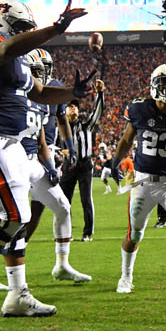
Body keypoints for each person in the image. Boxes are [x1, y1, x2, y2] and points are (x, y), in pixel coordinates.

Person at [0, 0, 93, 317]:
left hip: (13, 142)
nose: (26, 37)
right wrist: (55, 29)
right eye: (22, 30)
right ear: (2, 24)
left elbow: (41, 94)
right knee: (14, 215)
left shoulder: (18, 64)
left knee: (20, 218)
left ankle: (17, 294)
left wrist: (74, 93)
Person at [0, 55, 93, 287]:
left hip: (36, 160)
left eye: (42, 70)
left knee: (63, 207)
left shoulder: (46, 96)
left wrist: (53, 162)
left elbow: (45, 134)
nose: (39, 75)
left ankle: (62, 265)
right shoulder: (14, 93)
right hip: (14, 159)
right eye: (34, 70)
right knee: (10, 218)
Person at [111, 63, 166, 294]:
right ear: (154, 85)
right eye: (165, 83)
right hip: (142, 183)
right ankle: (125, 276)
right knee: (134, 234)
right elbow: (127, 140)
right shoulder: (140, 109)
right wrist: (115, 161)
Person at [59, 91, 105, 242]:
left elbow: (97, 113)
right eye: (70, 106)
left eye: (75, 107)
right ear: (65, 110)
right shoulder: (60, 127)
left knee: (86, 199)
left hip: (84, 165)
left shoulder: (86, 126)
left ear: (78, 111)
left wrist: (100, 93)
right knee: (64, 201)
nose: (73, 108)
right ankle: (66, 233)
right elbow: (51, 145)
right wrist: (61, 151)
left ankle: (87, 233)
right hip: (68, 166)